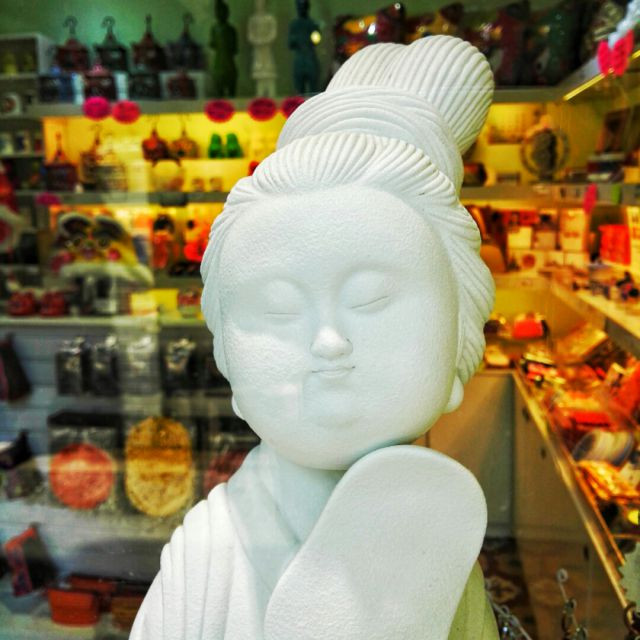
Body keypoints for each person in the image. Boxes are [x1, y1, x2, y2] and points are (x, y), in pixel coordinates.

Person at [131, 35, 498, 640]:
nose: (329, 342)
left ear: (461, 332)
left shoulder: (437, 538)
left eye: (370, 299)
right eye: (277, 309)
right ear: (228, 366)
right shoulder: (209, 560)